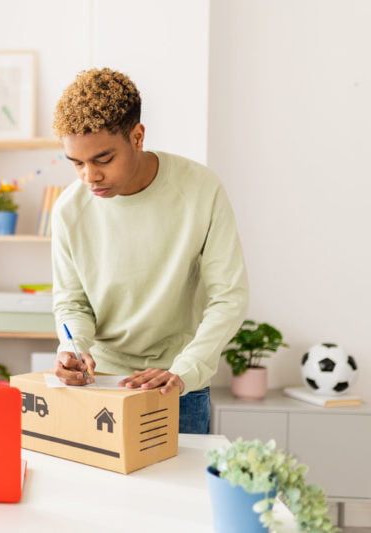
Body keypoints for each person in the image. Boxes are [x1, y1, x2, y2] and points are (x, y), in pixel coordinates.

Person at [51, 68, 248, 434]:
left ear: (137, 137)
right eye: (77, 163)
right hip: (102, 384)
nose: (88, 176)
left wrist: (184, 371)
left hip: (177, 387)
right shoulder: (69, 210)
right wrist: (72, 348)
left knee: (180, 490)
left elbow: (228, 297)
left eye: (103, 159)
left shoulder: (200, 189)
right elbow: (72, 303)